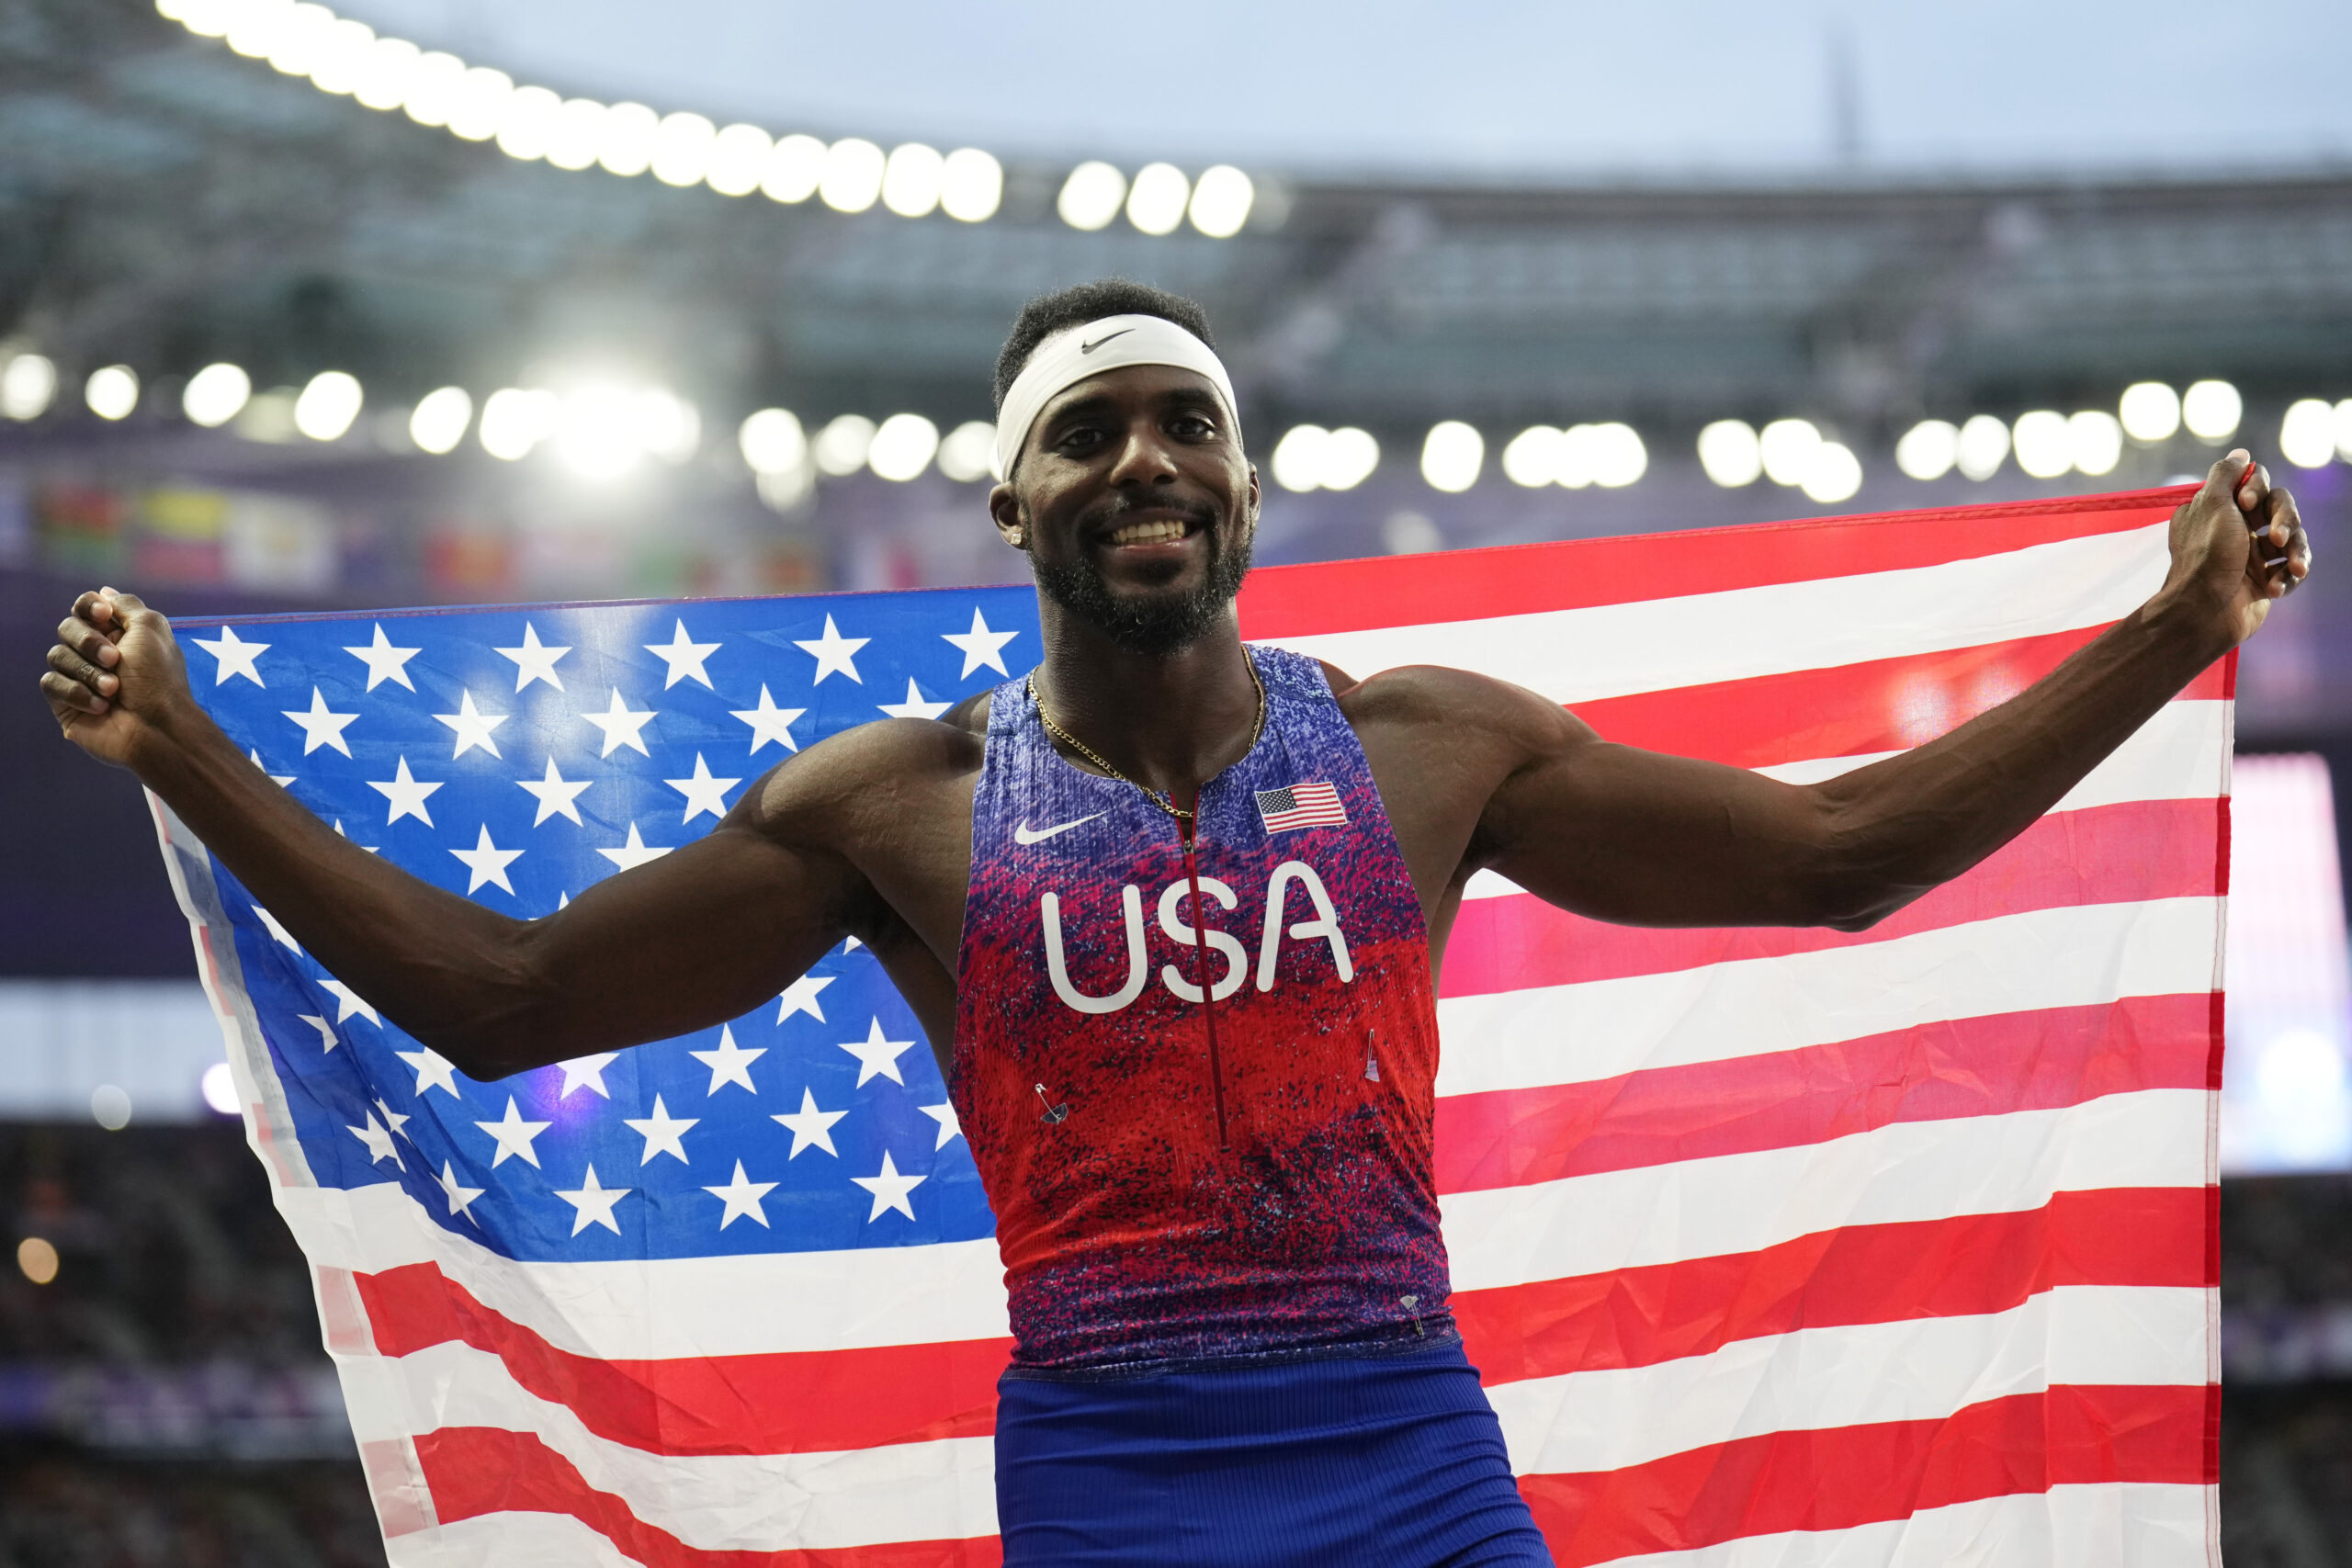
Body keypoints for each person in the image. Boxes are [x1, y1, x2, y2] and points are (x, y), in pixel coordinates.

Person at [41, 278, 2309, 1566]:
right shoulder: (901, 810)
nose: (1146, 460)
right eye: (1093, 429)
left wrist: (2163, 627)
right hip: (1116, 1475)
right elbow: (506, 1001)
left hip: (1410, 1447)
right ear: (1011, 489)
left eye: (1186, 425)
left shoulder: (1429, 750)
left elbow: (1840, 857)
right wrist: (184, 750)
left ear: (1244, 481)